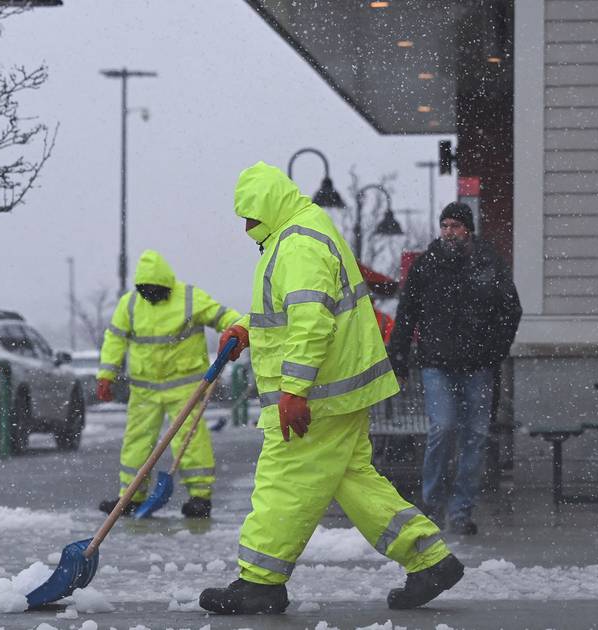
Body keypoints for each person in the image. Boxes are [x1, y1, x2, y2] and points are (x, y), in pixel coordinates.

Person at [199, 162, 464, 615]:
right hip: (334, 391)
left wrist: (294, 391)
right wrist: (245, 330)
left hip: (316, 395)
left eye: (250, 215)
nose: (246, 227)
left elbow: (311, 323)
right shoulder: (300, 234)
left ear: (269, 206)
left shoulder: (298, 244)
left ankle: (260, 582)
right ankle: (430, 560)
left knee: (283, 480)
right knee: (354, 480)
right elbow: (288, 315)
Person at [387, 201, 522, 536]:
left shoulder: (489, 264)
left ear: (468, 229)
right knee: (443, 430)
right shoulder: (426, 266)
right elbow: (406, 315)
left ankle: (461, 511)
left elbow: (510, 310)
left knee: (474, 438)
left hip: (478, 364)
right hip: (436, 363)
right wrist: (399, 359)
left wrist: (495, 350)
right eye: (444, 226)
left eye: (455, 226)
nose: (449, 232)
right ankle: (432, 506)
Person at [97, 249, 242, 518]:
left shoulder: (188, 298)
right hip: (144, 389)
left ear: (166, 284)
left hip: (185, 387)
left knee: (189, 440)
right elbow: (114, 339)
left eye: (156, 290)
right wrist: (106, 374)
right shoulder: (130, 305)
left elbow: (222, 315)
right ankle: (130, 496)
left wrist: (236, 330)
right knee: (137, 442)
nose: (151, 295)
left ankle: (200, 497)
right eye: (146, 290)